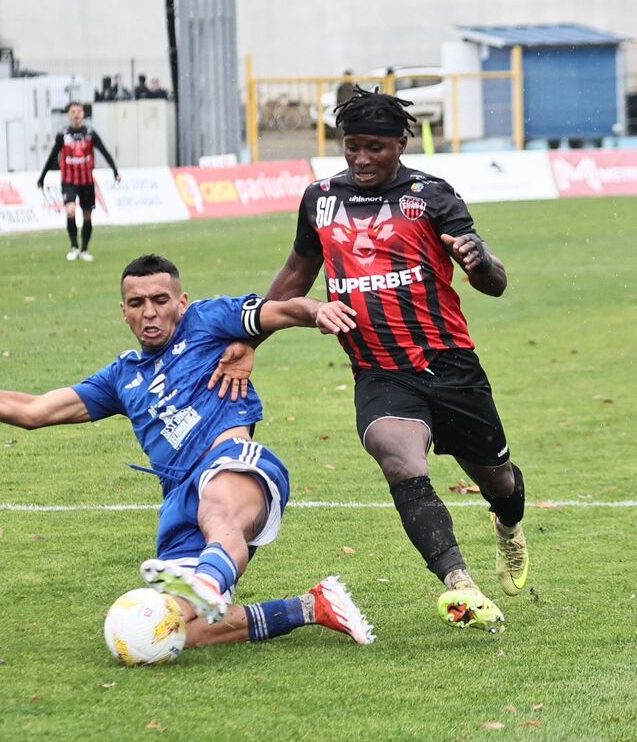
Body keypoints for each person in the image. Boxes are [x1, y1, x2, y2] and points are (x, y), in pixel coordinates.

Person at [0, 254, 375, 651]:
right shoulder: (121, 378)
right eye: (137, 303)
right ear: (124, 313)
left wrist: (318, 311)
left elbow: (283, 310)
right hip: (179, 500)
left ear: (181, 302)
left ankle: (208, 582)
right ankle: (311, 606)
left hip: (232, 461)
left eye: (160, 300)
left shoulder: (209, 320)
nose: (149, 312)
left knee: (218, 514)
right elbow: (33, 411)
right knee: (174, 633)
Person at [211, 87, 529, 634]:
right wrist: (251, 336)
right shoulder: (320, 199)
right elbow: (297, 272)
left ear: (401, 143)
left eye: (374, 148)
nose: (360, 158)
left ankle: (508, 526)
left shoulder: (432, 196)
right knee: (397, 457)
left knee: (498, 480)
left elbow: (493, 283)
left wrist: (480, 261)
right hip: (379, 370)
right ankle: (460, 583)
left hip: (450, 365)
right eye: (351, 146)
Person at [37, 101, 121, 262]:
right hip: (69, 181)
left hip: (87, 181)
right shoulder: (63, 135)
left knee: (87, 215)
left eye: (79, 111)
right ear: (69, 115)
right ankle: (74, 247)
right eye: (73, 112)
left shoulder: (90, 134)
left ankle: (84, 249)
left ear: (83, 114)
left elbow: (104, 152)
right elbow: (53, 155)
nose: (76, 114)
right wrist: (42, 177)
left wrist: (115, 171)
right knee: (70, 210)